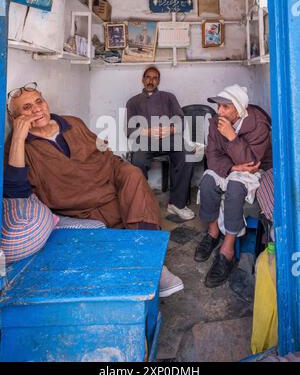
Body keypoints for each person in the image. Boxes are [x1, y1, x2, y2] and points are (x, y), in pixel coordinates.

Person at [4, 82, 183, 297]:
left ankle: (151, 261)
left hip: (107, 186)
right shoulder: (18, 147)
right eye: (26, 107)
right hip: (77, 207)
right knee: (127, 217)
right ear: (16, 119)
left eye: (39, 101)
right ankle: (152, 265)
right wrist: (18, 137)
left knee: (133, 174)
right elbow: (17, 193)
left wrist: (110, 153)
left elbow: (100, 149)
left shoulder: (72, 123)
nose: (36, 108)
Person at [194, 84, 273, 287]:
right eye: (218, 106)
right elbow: (212, 157)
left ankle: (227, 250)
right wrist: (231, 167)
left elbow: (253, 164)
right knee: (208, 180)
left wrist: (231, 137)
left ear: (238, 108)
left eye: (224, 107)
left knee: (236, 187)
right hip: (229, 167)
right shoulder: (215, 123)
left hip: (253, 171)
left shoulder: (258, 125)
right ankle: (212, 233)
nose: (219, 111)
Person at [126, 67, 194, 221]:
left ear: (159, 81)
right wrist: (148, 131)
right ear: (142, 79)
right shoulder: (133, 101)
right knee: (137, 162)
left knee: (188, 155)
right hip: (145, 140)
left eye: (155, 78)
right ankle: (141, 204)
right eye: (148, 77)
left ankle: (177, 203)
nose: (151, 81)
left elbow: (180, 121)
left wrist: (170, 130)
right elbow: (130, 130)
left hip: (169, 138)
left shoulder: (169, 97)